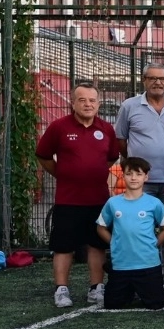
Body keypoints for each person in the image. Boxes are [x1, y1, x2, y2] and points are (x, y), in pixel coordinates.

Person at [37, 81, 121, 307]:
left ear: (98, 104)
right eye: (82, 100)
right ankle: (61, 290)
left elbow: (111, 158)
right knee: (63, 246)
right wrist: (64, 173)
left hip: (98, 199)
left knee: (97, 245)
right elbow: (43, 155)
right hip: (68, 199)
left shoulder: (106, 129)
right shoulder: (58, 127)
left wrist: (93, 171)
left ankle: (96, 288)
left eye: (92, 100)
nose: (87, 104)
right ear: (73, 103)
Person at [96, 157, 164, 310]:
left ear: (146, 177)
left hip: (148, 263)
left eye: (138, 174)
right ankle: (130, 291)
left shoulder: (154, 203)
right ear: (123, 175)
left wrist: (154, 243)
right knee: (112, 305)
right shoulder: (113, 203)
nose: (133, 178)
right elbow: (101, 227)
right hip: (121, 265)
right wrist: (114, 242)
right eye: (129, 173)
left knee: (156, 304)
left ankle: (162, 288)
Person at [114, 64, 164, 201]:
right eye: (152, 78)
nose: (158, 82)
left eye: (162, 79)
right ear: (144, 80)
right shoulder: (129, 106)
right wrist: (134, 159)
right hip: (140, 179)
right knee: (142, 214)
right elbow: (120, 139)